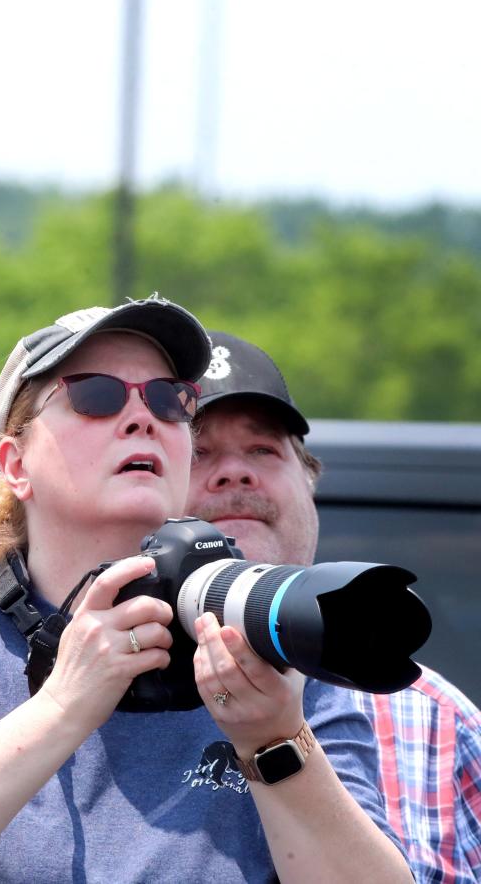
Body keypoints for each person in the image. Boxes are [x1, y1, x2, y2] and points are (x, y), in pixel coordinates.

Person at [0, 296, 410, 883]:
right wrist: (64, 705)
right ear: (17, 465)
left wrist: (275, 741)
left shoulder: (267, 640)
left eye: (169, 400)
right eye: (95, 396)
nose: (143, 416)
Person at [187, 330, 481, 883]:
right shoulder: (103, 695)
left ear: (311, 484)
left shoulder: (438, 721)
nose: (234, 471)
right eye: (197, 452)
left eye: (263, 449)